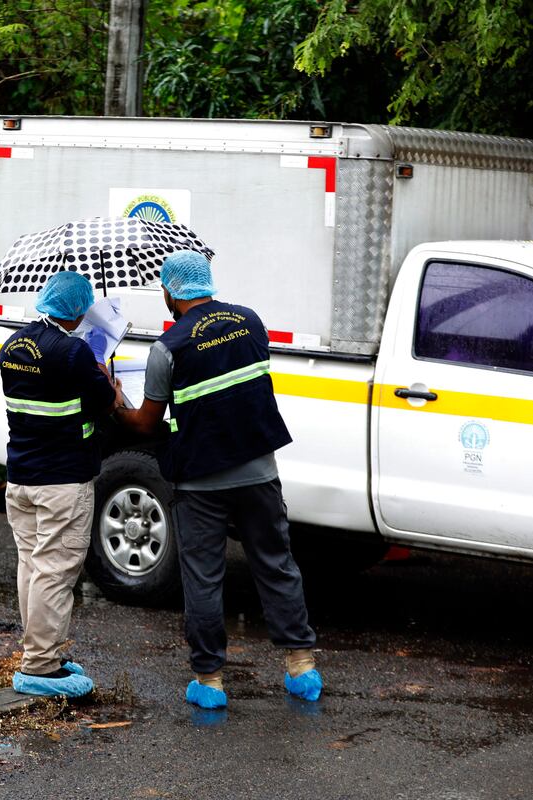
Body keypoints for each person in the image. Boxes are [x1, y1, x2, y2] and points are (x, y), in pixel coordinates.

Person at [115, 249, 322, 709]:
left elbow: (148, 425)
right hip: (259, 473)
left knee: (204, 578)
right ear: (207, 282)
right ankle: (302, 668)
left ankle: (209, 683)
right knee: (276, 564)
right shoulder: (251, 322)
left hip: (201, 485)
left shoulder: (167, 349)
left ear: (171, 291)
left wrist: (116, 403)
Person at [0, 271, 123, 698]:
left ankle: (41, 653)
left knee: (32, 564)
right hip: (63, 480)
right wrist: (108, 380)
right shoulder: (73, 353)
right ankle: (39, 665)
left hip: (22, 478)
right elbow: (108, 403)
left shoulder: (12, 346)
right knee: (56, 567)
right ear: (76, 309)